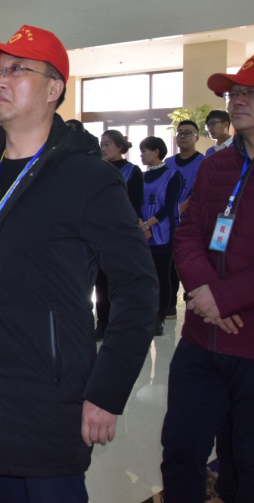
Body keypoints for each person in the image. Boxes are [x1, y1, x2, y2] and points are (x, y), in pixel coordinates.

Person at [0, 25, 158, 501]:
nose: (0, 80)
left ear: (54, 89)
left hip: (48, 395)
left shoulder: (88, 178)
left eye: (17, 70)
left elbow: (138, 288)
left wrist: (107, 390)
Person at [161, 57, 254, 503]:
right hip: (201, 339)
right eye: (234, 93)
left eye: (250, 93)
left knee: (244, 462)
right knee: (181, 450)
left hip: (249, 344)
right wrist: (203, 293)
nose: (238, 100)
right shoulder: (216, 166)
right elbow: (187, 233)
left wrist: (225, 299)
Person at [95, 129, 144, 340]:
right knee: (101, 283)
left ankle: (120, 323)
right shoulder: (97, 169)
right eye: (101, 144)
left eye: (107, 144)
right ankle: (102, 322)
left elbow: (135, 203)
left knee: (120, 282)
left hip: (120, 234)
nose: (103, 148)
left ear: (120, 146)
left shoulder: (133, 171)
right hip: (98, 233)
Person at [139, 136, 183, 337]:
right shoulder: (140, 176)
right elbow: (135, 202)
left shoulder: (173, 175)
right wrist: (140, 223)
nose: (141, 155)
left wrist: (149, 223)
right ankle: (146, 314)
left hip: (162, 232)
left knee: (162, 276)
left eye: (144, 151)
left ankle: (160, 318)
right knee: (145, 277)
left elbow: (169, 205)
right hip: (141, 233)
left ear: (156, 152)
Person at [165, 119, 205, 318]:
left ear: (196, 138)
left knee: (190, 262)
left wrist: (179, 208)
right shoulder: (168, 163)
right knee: (168, 264)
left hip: (191, 221)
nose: (182, 136)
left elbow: (200, 191)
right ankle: (169, 304)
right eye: (180, 132)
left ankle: (194, 301)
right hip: (168, 222)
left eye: (188, 133)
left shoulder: (204, 162)